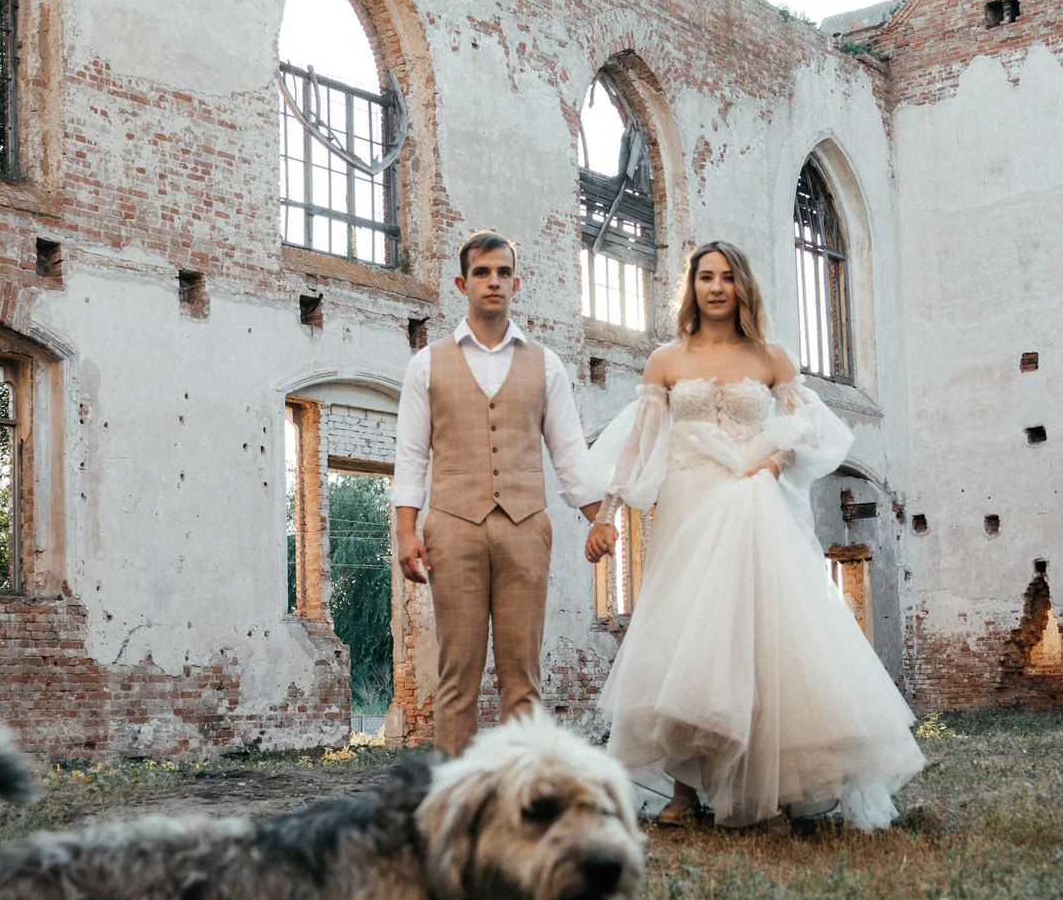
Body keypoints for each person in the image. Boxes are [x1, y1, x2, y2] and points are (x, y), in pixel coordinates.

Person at [585, 241, 925, 829]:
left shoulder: (771, 358)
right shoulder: (665, 360)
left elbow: (807, 428)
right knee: (688, 636)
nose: (716, 287)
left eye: (727, 277)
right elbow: (640, 445)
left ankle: (780, 783)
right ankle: (684, 790)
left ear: (742, 286)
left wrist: (773, 461)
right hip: (688, 505)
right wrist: (605, 514)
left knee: (765, 634)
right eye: (705, 277)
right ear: (692, 287)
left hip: (753, 501)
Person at [392, 231, 615, 757]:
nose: (493, 281)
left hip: (525, 531)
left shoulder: (547, 364)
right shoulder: (426, 364)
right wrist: (405, 530)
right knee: (457, 676)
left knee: (523, 678)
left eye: (502, 273)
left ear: (517, 283)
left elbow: (569, 453)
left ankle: (523, 793)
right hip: (452, 529)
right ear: (462, 283)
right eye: (482, 273)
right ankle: (456, 795)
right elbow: (411, 454)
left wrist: (600, 517)